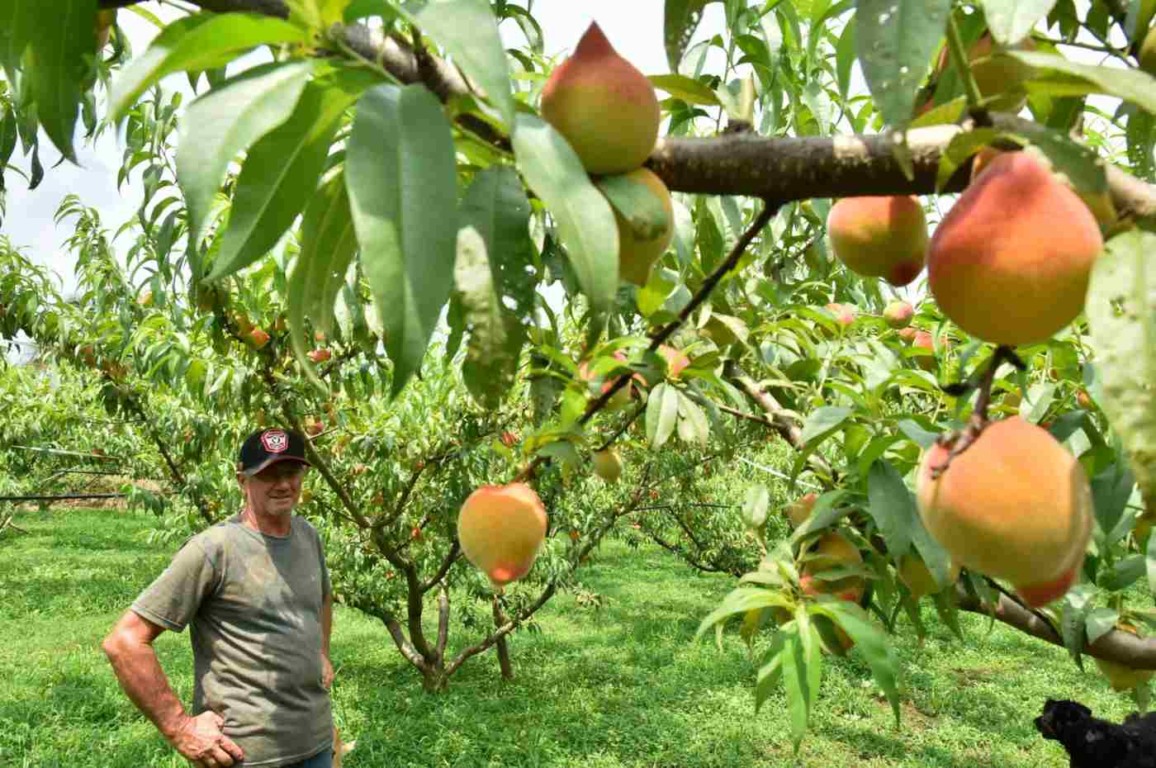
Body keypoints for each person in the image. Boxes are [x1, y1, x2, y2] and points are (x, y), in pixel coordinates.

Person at [102, 427, 335, 768]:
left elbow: (323, 597)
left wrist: (322, 653)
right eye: (268, 474)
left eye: (291, 472)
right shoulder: (214, 550)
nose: (283, 484)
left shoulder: (307, 535)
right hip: (246, 755)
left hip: (315, 743)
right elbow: (124, 642)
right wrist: (181, 728)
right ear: (243, 481)